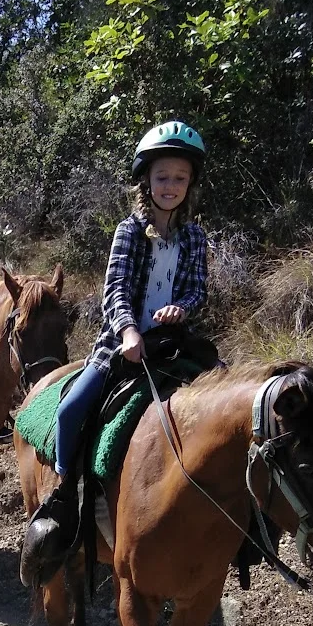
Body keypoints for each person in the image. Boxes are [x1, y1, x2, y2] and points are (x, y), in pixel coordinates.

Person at [19, 120, 215, 583]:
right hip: (121, 345)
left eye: (180, 178)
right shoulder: (129, 230)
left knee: (231, 402)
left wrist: (180, 309)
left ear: (190, 185)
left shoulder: (194, 237)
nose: (171, 186)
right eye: (163, 177)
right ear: (146, 180)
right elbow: (116, 290)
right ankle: (64, 498)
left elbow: (196, 290)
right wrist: (128, 331)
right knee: (70, 412)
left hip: (174, 343)